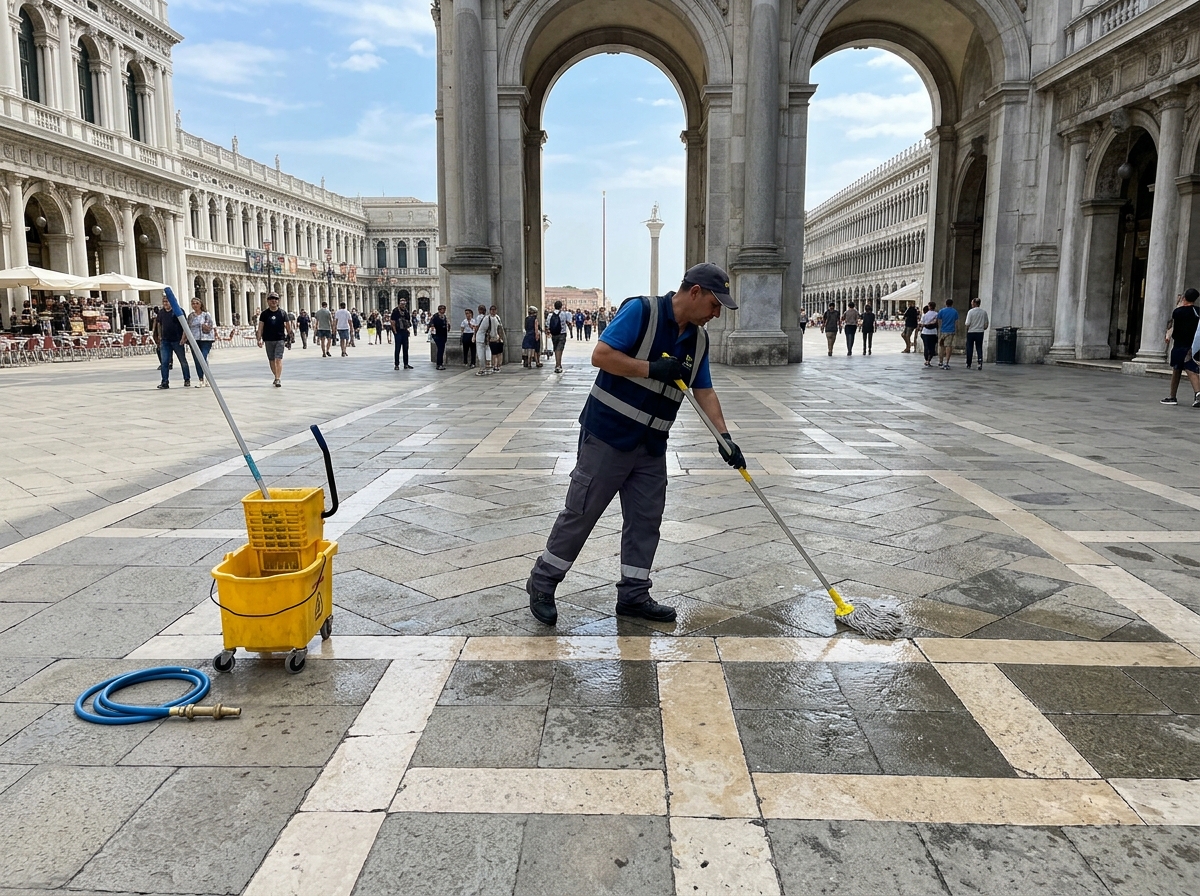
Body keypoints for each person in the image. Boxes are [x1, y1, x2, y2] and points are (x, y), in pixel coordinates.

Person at [525, 263, 745, 626]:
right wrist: (650, 369)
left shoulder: (699, 340)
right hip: (608, 436)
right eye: (715, 303)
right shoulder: (641, 311)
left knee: (646, 520)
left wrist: (725, 438)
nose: (717, 312)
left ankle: (633, 595)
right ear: (694, 293)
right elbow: (602, 355)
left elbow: (703, 390)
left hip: (652, 444)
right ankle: (543, 582)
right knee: (581, 513)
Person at [1162, 288, 1200, 406]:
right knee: (1178, 369)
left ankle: (1198, 394)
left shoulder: (1178, 312)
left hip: (1180, 344)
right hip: (1194, 344)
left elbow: (1174, 326)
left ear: (1184, 298)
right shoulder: (1198, 311)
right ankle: (1173, 396)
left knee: (1186, 368)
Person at [154, 296, 191, 389]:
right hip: (165, 340)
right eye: (164, 301)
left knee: (182, 360)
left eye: (167, 301)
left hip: (177, 340)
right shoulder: (161, 312)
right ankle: (164, 381)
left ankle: (187, 379)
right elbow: (159, 324)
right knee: (164, 362)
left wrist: (183, 338)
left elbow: (184, 325)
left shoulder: (178, 311)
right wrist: (159, 336)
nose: (165, 303)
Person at [256, 293, 292, 387]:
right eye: (271, 299)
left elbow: (288, 326)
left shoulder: (283, 313)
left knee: (278, 359)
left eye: (276, 299)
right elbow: (260, 327)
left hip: (280, 339)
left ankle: (277, 379)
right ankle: (276, 376)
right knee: (271, 360)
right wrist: (259, 339)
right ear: (268, 301)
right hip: (268, 339)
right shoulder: (264, 314)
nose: (274, 300)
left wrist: (290, 337)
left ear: (278, 301)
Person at [186, 297, 216, 387]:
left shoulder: (206, 314)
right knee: (197, 359)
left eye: (196, 303)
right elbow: (187, 328)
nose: (195, 305)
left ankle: (207, 377)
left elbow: (211, 325)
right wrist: (184, 338)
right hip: (194, 339)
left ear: (201, 304)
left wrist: (205, 325)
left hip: (206, 339)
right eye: (193, 303)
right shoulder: (191, 316)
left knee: (202, 357)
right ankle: (201, 379)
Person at [964, 298, 989, 370]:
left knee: (969, 347)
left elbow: (967, 323)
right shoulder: (984, 312)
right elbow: (986, 324)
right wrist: (982, 328)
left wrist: (968, 328)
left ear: (975, 303)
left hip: (971, 332)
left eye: (972, 303)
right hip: (980, 332)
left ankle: (969, 363)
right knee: (979, 347)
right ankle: (979, 362)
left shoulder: (970, 312)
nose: (971, 304)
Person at [548, 300, 570, 373]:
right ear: (561, 306)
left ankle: (557, 364)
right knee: (559, 349)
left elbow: (547, 325)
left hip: (554, 334)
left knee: (555, 348)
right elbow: (568, 322)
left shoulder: (550, 315)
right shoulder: (564, 314)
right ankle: (558, 365)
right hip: (562, 333)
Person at [937, 299, 959, 369]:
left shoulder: (941, 311)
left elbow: (939, 320)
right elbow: (956, 322)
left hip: (943, 330)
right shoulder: (955, 312)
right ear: (952, 304)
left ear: (945, 303)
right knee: (948, 346)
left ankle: (941, 361)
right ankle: (947, 362)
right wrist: (956, 329)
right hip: (951, 331)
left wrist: (940, 327)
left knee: (941, 346)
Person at [392, 302, 413, 369]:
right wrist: (395, 331)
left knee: (406, 348)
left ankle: (406, 364)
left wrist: (407, 329)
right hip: (398, 332)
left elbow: (408, 321)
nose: (403, 306)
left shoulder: (406, 311)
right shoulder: (395, 311)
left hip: (404, 331)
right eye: (402, 304)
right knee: (397, 348)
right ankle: (396, 365)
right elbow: (392, 321)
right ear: (399, 304)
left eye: (404, 304)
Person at [474, 304, 493, 375]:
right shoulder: (488, 318)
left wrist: (474, 336)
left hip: (480, 337)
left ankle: (482, 368)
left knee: (480, 353)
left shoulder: (479, 317)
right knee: (487, 350)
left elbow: (476, 328)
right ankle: (488, 366)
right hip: (486, 337)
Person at [430, 304, 449, 370]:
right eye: (442, 309)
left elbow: (446, 324)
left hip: (443, 335)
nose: (444, 311)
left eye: (444, 309)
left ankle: (440, 363)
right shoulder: (435, 316)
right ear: (439, 310)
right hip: (437, 335)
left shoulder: (444, 317)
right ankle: (439, 364)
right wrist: (433, 333)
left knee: (442, 349)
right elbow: (431, 324)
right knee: (440, 349)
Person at [488, 304, 504, 371]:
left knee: (499, 353)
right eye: (492, 310)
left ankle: (498, 365)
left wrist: (501, 337)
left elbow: (500, 328)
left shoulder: (497, 317)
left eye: (494, 310)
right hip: (492, 338)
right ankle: (494, 365)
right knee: (494, 353)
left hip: (498, 338)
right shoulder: (488, 318)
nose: (493, 311)